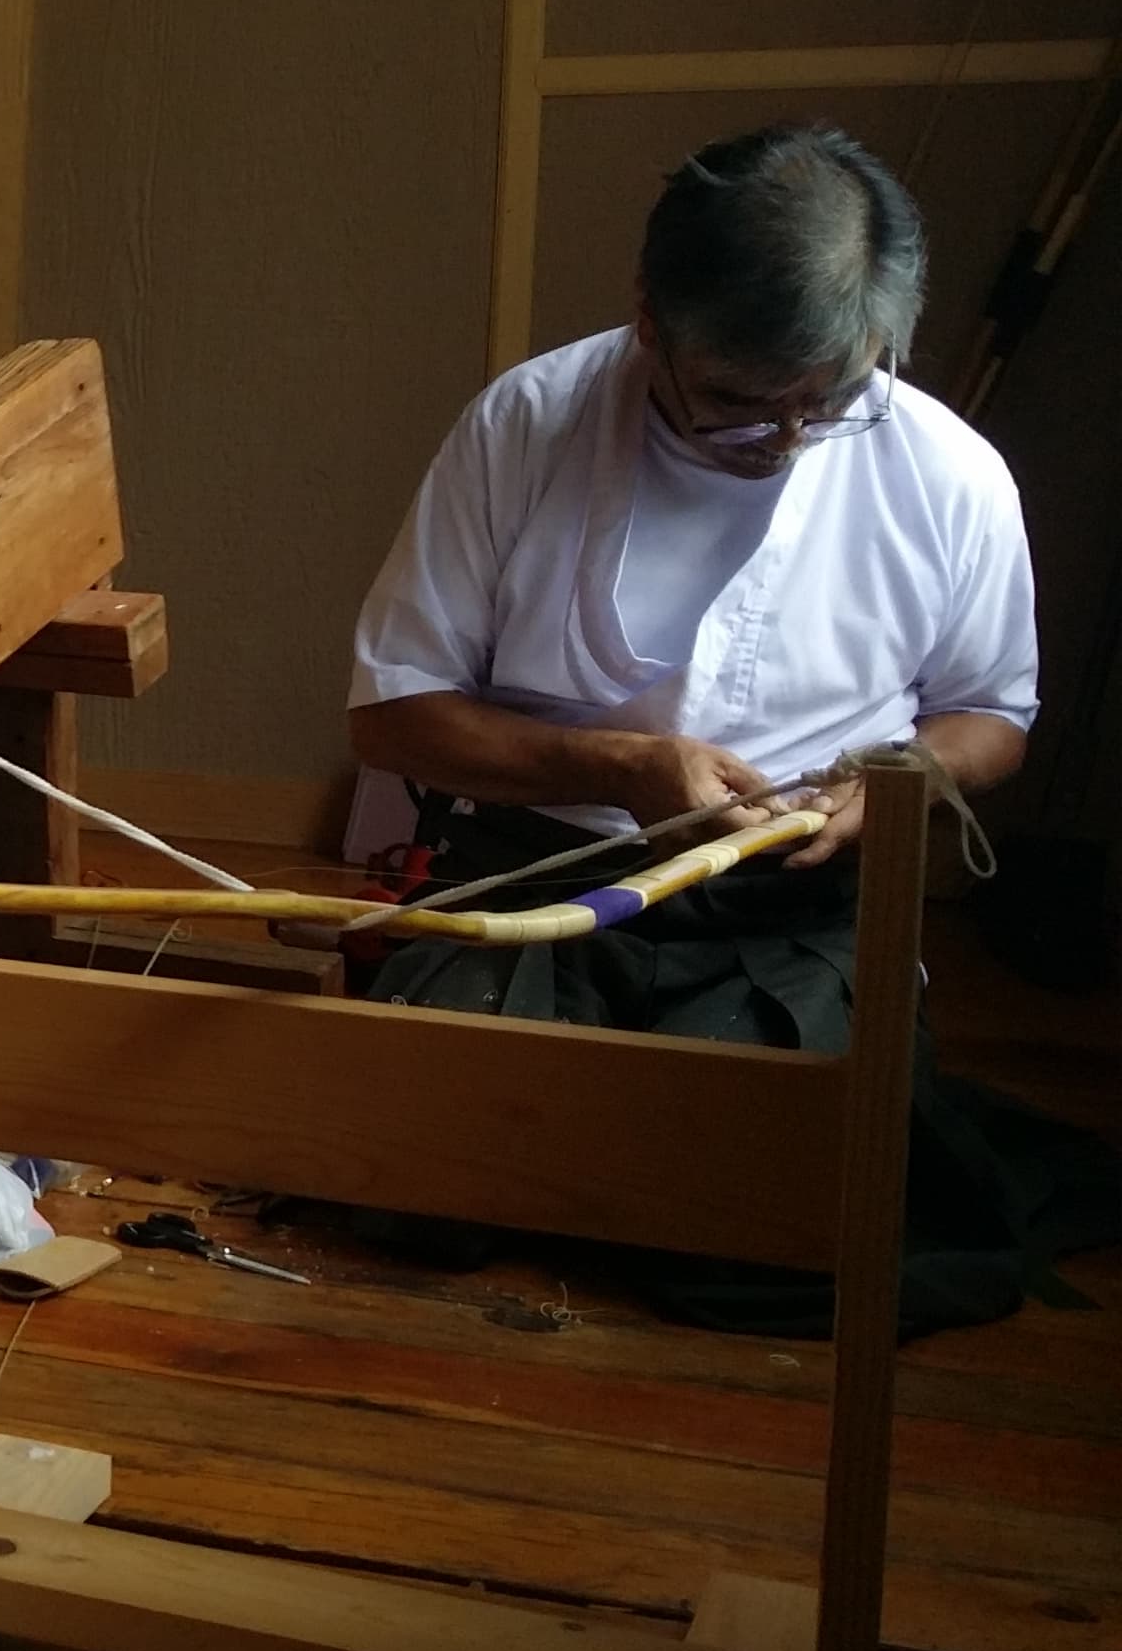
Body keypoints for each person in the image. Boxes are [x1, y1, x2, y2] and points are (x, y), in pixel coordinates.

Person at [348, 121, 1036, 1050]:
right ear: (648, 318)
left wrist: (903, 778)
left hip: (793, 901)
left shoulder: (950, 473)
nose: (785, 439)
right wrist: (616, 766)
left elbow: (992, 714)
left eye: (827, 398)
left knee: (782, 1159)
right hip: (548, 871)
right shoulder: (527, 424)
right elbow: (392, 714)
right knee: (449, 1138)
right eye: (738, 404)